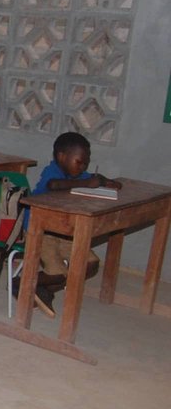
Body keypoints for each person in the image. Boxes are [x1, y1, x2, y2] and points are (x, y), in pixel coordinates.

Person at [16, 131, 122, 317]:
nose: (82, 167)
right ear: (61, 157)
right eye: (79, 162)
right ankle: (20, 283)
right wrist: (87, 183)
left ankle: (44, 289)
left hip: (64, 231)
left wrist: (107, 181)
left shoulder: (79, 175)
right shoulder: (52, 171)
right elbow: (54, 185)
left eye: (85, 164)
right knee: (57, 273)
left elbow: (93, 177)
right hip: (40, 230)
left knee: (90, 265)